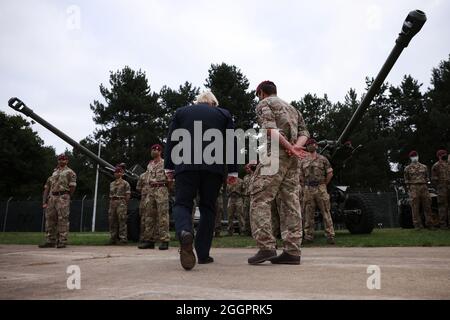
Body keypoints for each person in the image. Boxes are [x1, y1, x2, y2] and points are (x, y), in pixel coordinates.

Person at [164, 91, 238, 271]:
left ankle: (184, 231)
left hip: (185, 166)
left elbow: (171, 139)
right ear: (213, 103)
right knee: (208, 208)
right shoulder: (223, 114)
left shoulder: (181, 112)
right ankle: (203, 254)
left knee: (182, 204)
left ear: (198, 102)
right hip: (213, 168)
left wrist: (169, 167)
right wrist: (233, 170)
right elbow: (231, 142)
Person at [248, 81, 309, 265]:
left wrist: (289, 147)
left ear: (261, 93)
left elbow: (270, 130)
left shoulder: (264, 104)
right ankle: (292, 251)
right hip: (292, 159)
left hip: (274, 154)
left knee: (259, 198)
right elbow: (304, 132)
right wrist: (295, 148)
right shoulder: (292, 109)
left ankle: (266, 247)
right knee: (290, 202)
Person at [300, 139, 336, 244]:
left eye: (313, 144)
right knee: (308, 214)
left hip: (320, 188)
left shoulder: (323, 159)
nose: (311, 146)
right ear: (307, 147)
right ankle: (308, 236)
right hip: (308, 189)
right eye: (309, 145)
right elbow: (300, 175)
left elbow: (330, 173)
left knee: (326, 212)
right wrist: (304, 185)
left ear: (316, 146)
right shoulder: (303, 161)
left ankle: (330, 236)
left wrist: (324, 183)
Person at [39, 154, 77, 249]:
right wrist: (44, 201)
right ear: (58, 161)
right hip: (52, 197)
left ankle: (62, 241)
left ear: (67, 161)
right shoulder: (54, 173)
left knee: (62, 219)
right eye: (60, 159)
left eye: (64, 159)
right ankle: (50, 240)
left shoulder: (70, 172)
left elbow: (72, 186)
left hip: (63, 196)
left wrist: (67, 196)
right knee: (50, 219)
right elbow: (47, 188)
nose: (61, 161)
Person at [138, 144, 171, 250]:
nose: (153, 151)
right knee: (149, 216)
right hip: (150, 190)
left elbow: (170, 179)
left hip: (161, 188)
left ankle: (164, 240)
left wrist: (166, 189)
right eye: (152, 149)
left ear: (160, 151)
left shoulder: (165, 163)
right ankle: (149, 240)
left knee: (163, 216)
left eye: (155, 149)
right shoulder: (150, 165)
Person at [404, 151, 435, 230]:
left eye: (415, 155)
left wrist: (426, 185)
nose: (414, 157)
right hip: (413, 187)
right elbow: (406, 180)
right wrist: (410, 189)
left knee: (427, 206)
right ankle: (417, 225)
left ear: (418, 156)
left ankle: (430, 224)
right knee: (415, 208)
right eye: (413, 156)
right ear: (410, 158)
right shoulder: (407, 168)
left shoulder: (424, 167)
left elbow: (427, 177)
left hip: (424, 187)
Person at [108, 166, 131, 245]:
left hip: (121, 201)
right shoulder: (112, 184)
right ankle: (113, 238)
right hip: (113, 202)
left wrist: (124, 203)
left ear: (122, 173)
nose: (117, 173)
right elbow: (110, 194)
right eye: (116, 172)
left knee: (122, 220)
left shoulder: (125, 183)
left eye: (119, 172)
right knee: (112, 220)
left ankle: (123, 238)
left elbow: (128, 195)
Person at [431, 149, 450, 229]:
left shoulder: (449, 164)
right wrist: (440, 186)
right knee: (442, 207)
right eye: (442, 154)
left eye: (445, 154)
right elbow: (434, 179)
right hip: (442, 188)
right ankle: (443, 225)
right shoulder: (436, 166)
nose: (444, 155)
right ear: (439, 156)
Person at [241, 164, 254, 236]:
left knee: (253, 214)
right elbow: (243, 187)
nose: (247, 170)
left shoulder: (255, 176)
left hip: (253, 196)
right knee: (246, 214)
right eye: (246, 169)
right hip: (246, 197)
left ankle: (253, 231)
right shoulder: (245, 177)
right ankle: (246, 231)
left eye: (248, 168)